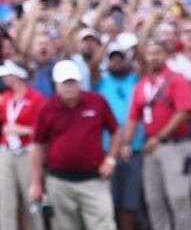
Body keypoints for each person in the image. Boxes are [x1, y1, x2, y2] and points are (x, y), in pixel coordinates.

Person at [30, 59, 120, 230]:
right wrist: (36, 183)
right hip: (59, 182)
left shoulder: (97, 101)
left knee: (104, 225)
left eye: (72, 82)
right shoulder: (47, 109)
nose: (68, 87)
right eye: (64, 83)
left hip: (94, 180)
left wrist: (110, 160)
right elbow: (38, 146)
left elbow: (115, 131)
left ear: (79, 82)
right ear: (56, 85)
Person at [120, 38, 191, 230]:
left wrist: (160, 137)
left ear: (166, 56)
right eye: (150, 53)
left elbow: (184, 112)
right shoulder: (142, 85)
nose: (153, 57)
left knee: (178, 197)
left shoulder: (178, 80)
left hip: (175, 145)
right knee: (154, 200)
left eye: (158, 53)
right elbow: (132, 117)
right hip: (151, 148)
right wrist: (126, 142)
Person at [95, 43, 142, 230]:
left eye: (120, 58)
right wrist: (107, 42)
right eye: (112, 59)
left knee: (129, 203)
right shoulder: (100, 81)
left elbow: (145, 62)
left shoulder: (136, 80)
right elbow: (92, 66)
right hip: (107, 150)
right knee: (108, 201)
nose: (116, 62)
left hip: (134, 148)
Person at [0, 59, 45, 230]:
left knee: (31, 201)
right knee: (5, 202)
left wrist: (23, 130)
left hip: (28, 153)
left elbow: (43, 132)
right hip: (6, 152)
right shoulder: (6, 98)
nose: (5, 78)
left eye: (8, 74)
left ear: (17, 76)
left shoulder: (36, 99)